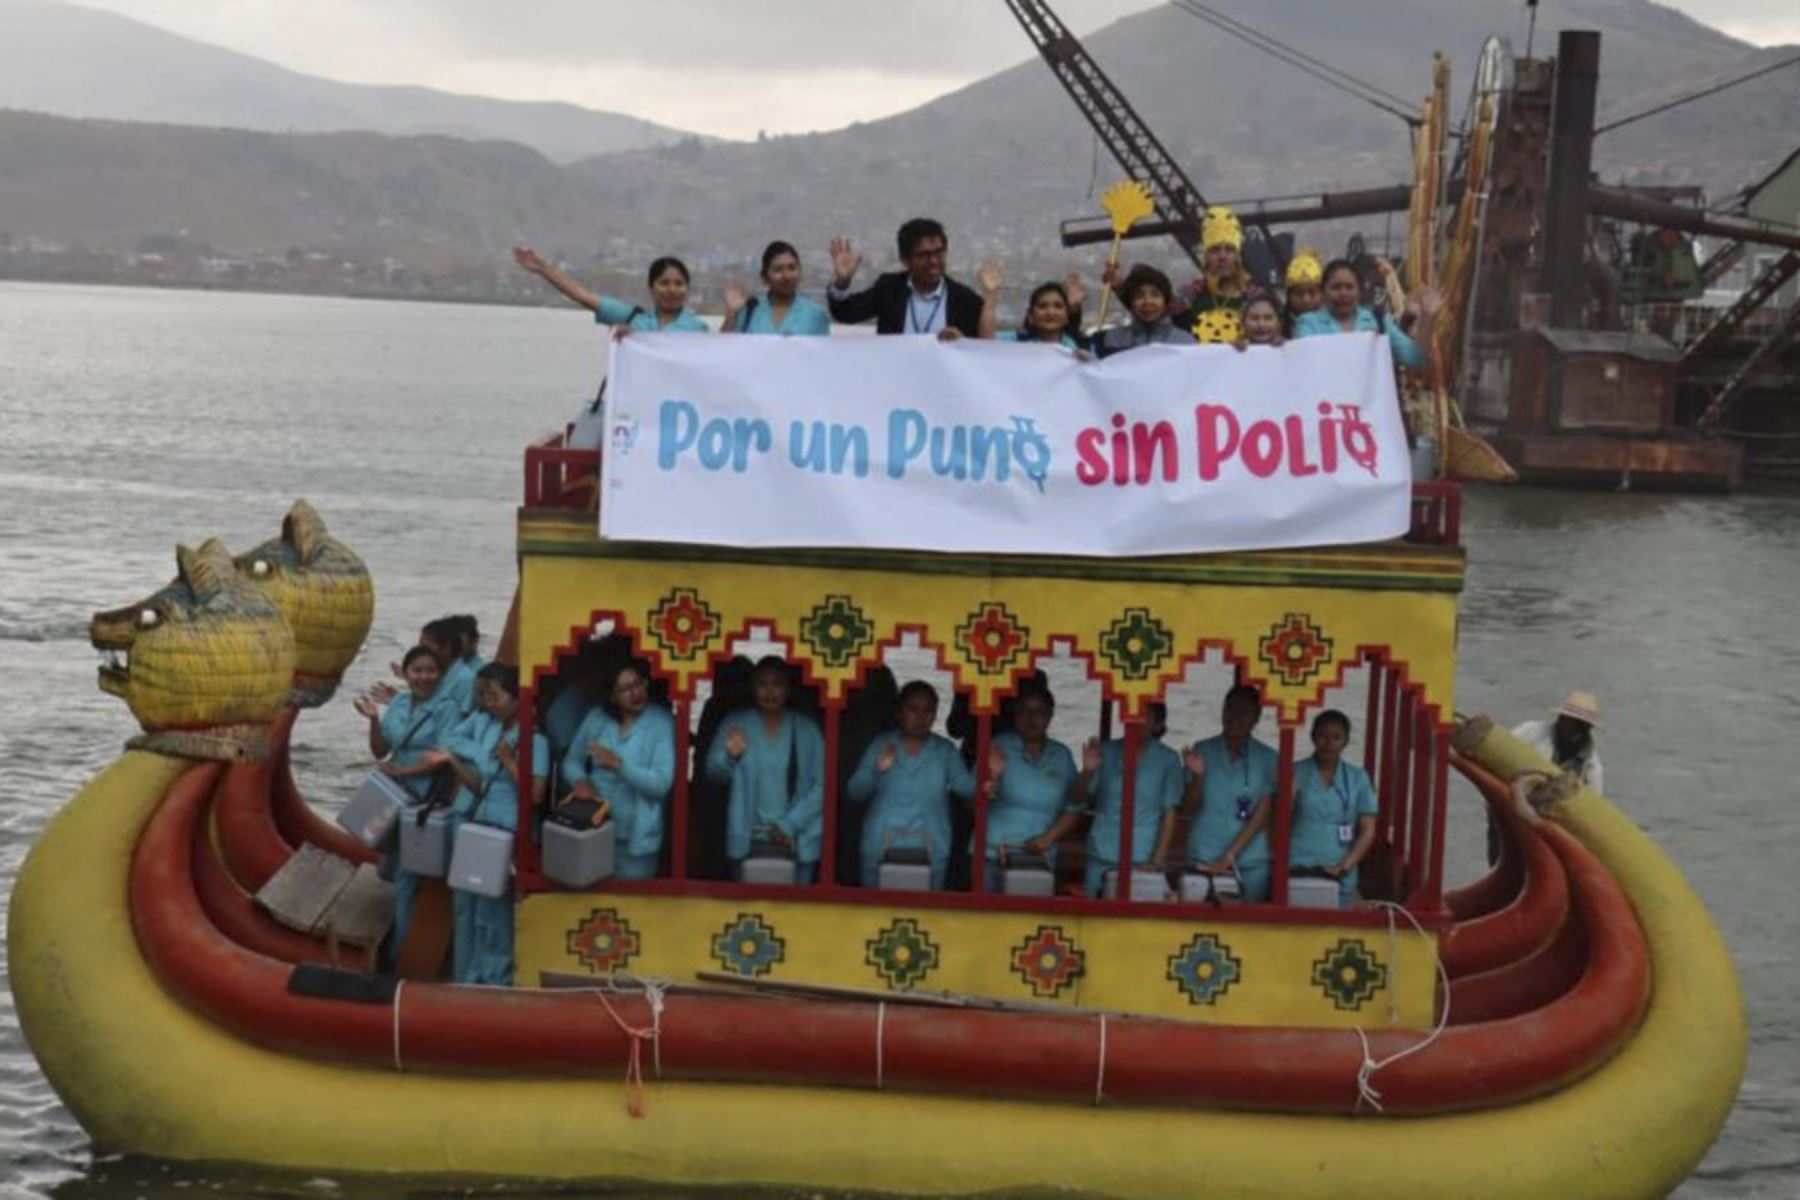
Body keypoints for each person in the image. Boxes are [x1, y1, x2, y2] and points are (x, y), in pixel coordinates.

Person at [420, 663, 548, 986]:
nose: (489, 703)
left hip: (506, 832)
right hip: (480, 826)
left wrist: (508, 761)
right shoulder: (490, 726)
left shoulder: (535, 740)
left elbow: (533, 794)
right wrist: (454, 761)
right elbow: (478, 785)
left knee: (496, 913)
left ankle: (497, 978)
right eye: (484, 696)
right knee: (473, 910)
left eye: (495, 696)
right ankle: (469, 976)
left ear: (518, 697)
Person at [353, 644, 458, 964]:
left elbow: (444, 758)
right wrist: (373, 720)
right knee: (392, 869)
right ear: (407, 672)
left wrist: (405, 770)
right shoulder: (398, 702)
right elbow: (380, 750)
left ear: (440, 674)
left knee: (409, 879)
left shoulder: (447, 708)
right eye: (418, 671)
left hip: (425, 803)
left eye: (431, 671)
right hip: (393, 798)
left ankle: (399, 955)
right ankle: (394, 942)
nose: (424, 677)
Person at [705, 657, 826, 883]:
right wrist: (730, 756)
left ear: (788, 688)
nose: (769, 692)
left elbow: (824, 786)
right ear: (752, 688)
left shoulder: (807, 729)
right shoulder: (736, 723)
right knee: (749, 910)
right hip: (747, 837)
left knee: (794, 913)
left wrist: (789, 824)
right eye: (762, 684)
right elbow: (713, 774)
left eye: (777, 684)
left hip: (798, 837)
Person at [846, 680, 976, 890]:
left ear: (935, 715)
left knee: (927, 917)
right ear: (899, 713)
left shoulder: (945, 751)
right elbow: (855, 792)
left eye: (928, 710)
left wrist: (991, 771)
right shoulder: (882, 744)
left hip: (932, 847)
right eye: (913, 709)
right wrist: (876, 770)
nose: (920, 717)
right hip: (879, 846)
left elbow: (968, 789)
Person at [562, 661, 676, 880]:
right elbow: (571, 762)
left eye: (639, 684)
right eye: (625, 689)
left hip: (637, 839)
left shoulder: (661, 723)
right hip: (594, 828)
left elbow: (661, 784)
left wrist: (619, 765)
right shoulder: (598, 718)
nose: (636, 693)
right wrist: (581, 783)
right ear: (612, 696)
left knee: (632, 909)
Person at [975, 686, 1081, 892]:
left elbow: (1075, 806)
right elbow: (973, 801)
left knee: (1031, 924)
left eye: (1039, 712)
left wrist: (1047, 839)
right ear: (1015, 715)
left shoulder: (1061, 755)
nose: (1031, 718)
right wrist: (992, 780)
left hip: (1040, 857)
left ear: (1050, 716)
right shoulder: (997, 746)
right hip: (993, 854)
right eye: (1025, 711)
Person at [1181, 685, 1278, 901]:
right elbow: (1187, 808)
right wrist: (1197, 778)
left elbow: (1261, 816)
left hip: (1248, 861)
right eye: (1230, 709)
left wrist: (1229, 856)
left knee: (1247, 930)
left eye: (1243, 712)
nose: (1235, 717)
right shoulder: (1203, 750)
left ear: (1256, 718)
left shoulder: (1268, 758)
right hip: (1203, 855)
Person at [1075, 702, 1183, 897]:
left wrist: (1156, 863)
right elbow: (1079, 797)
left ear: (1157, 725)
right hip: (1101, 853)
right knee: (1095, 919)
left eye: (1144, 717)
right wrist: (1088, 771)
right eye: (1133, 714)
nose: (1137, 721)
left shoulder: (1168, 759)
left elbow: (1169, 814)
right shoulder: (1107, 752)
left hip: (1143, 858)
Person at [826, 218, 986, 338]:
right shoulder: (889, 289)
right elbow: (845, 313)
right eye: (924, 255)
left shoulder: (967, 301)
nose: (934, 261)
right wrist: (842, 282)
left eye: (939, 252)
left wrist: (962, 342)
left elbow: (982, 353)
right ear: (905, 259)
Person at [1288, 709, 1380, 908]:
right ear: (1313, 737)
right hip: (1297, 866)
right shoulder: (1295, 772)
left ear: (1346, 741)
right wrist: (1289, 796)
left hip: (1340, 870)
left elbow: (1368, 830)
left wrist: (1345, 865)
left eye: (1336, 737)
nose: (1329, 743)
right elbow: (1277, 820)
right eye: (1322, 736)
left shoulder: (1358, 778)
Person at [513, 246, 710, 333]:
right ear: (652, 288)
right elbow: (583, 296)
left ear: (687, 289)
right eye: (664, 283)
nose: (672, 290)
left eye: (679, 284)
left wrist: (733, 313)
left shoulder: (698, 329)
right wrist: (543, 269)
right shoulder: (632, 319)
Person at [1293, 259, 1434, 369]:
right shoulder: (1307, 323)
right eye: (1336, 287)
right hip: (1326, 402)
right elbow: (1307, 364)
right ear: (1323, 292)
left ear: (1359, 291)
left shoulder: (1378, 320)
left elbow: (1414, 358)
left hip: (1371, 404)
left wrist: (1427, 317)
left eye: (1349, 287)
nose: (1343, 293)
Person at [1174, 205, 1253, 344]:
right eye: (1215, 250)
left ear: (1237, 257)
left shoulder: (1254, 300)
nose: (1222, 257)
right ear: (1206, 257)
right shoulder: (1187, 300)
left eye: (1229, 250)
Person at [720, 241, 832, 336]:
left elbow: (820, 357)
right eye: (778, 269)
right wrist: (731, 314)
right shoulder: (748, 310)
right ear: (764, 277)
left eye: (792, 268)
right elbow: (722, 352)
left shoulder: (815, 315)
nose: (786, 276)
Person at [1512, 691, 1604, 793]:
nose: (1575, 729)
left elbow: (1591, 803)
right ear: (1561, 718)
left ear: (1587, 729)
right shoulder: (1530, 731)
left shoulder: (1591, 769)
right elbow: (1505, 751)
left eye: (1581, 725)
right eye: (1571, 722)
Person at [1095, 265, 1195, 357]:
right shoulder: (1113, 340)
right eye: (1139, 296)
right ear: (1130, 302)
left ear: (1165, 301)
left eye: (1155, 295)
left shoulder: (1185, 342)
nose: (1148, 302)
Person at [990, 271, 1091, 354]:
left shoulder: (1074, 350)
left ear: (1067, 317)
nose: (1051, 312)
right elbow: (986, 343)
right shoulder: (1017, 341)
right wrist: (990, 294)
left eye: (1058, 306)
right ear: (1031, 316)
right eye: (1042, 306)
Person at [1284, 248, 1325, 323]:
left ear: (1323, 294)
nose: (1306, 300)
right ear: (1289, 297)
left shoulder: (1338, 328)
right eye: (1299, 294)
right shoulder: (1277, 327)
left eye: (1312, 293)